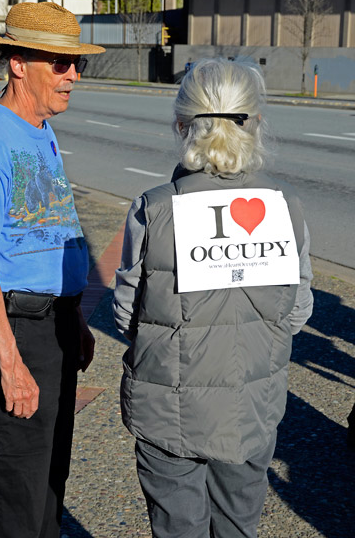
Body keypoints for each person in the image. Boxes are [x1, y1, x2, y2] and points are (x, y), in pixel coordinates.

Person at [113, 58, 314, 538]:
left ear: (182, 124)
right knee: (239, 527)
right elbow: (299, 309)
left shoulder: (154, 209)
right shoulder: (285, 208)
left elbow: (126, 314)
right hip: (251, 408)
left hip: (166, 410)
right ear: (256, 122)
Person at [0, 1, 105, 538]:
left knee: (44, 486)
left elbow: (46, 236)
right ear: (18, 64)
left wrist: (74, 316)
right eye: (60, 63)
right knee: (8, 491)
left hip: (51, 326)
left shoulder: (39, 133)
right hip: (12, 330)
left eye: (75, 64)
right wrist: (11, 364)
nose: (73, 76)